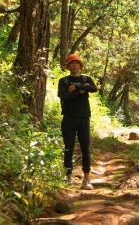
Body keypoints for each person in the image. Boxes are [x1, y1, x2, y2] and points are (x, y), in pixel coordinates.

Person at [58, 53, 98, 190]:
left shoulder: (86, 78)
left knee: (85, 149)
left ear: (80, 65)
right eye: (72, 63)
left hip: (84, 118)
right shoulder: (63, 81)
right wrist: (80, 91)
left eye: (77, 63)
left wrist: (77, 87)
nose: (74, 65)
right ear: (68, 66)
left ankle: (86, 178)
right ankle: (68, 177)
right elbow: (64, 97)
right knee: (68, 148)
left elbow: (94, 89)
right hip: (68, 118)